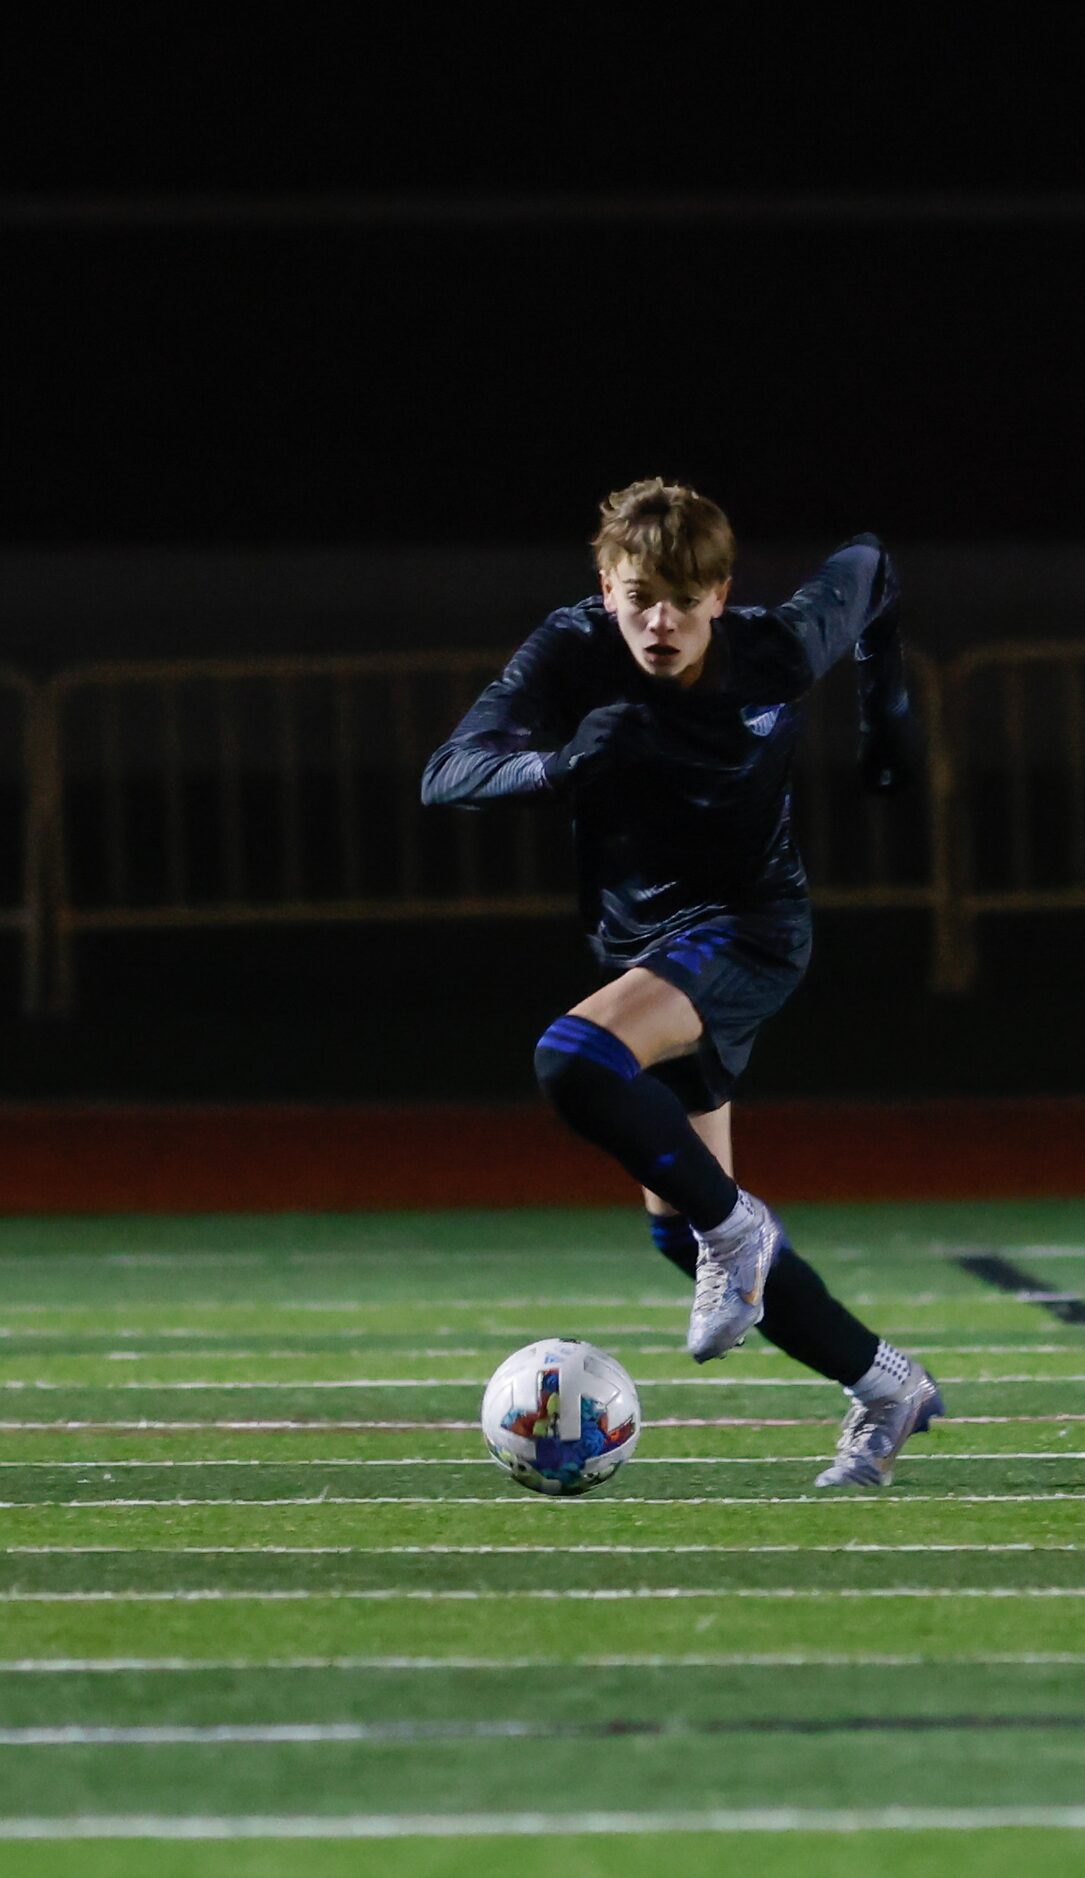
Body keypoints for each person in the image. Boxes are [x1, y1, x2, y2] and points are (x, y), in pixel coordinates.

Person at [421, 478, 941, 1487]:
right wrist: (559, 766)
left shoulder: (776, 649)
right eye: (638, 596)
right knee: (675, 1230)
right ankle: (884, 1384)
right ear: (605, 588)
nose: (661, 621)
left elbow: (873, 563)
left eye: (685, 599)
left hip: (749, 933)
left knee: (572, 1059)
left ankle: (738, 1227)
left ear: (721, 592)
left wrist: (886, 713)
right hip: (645, 950)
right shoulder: (572, 647)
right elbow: (449, 771)